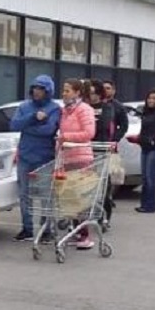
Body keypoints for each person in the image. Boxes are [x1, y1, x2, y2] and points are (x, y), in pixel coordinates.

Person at [9, 74, 61, 242]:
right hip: (25, 156)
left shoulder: (54, 108)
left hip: (45, 156)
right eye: (35, 88)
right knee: (24, 194)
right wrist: (33, 119)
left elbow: (49, 130)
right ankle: (27, 228)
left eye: (41, 89)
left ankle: (46, 229)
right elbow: (14, 125)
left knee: (46, 194)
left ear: (48, 91)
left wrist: (27, 127)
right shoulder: (25, 107)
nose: (37, 92)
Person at [57, 79, 97, 249]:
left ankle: (85, 234)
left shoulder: (84, 110)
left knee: (80, 197)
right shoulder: (65, 111)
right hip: (67, 157)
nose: (64, 93)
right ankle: (76, 230)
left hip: (81, 158)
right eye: (64, 90)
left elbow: (89, 133)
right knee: (70, 196)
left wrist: (67, 138)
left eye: (67, 90)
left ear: (77, 92)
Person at [93, 79, 129, 226]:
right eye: (104, 88)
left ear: (113, 90)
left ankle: (105, 216)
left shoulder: (116, 107)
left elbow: (123, 125)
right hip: (90, 147)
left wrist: (115, 139)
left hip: (107, 146)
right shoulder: (89, 106)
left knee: (105, 184)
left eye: (109, 88)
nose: (106, 90)